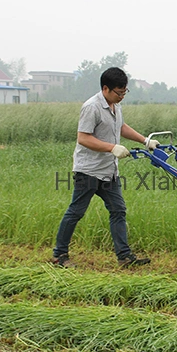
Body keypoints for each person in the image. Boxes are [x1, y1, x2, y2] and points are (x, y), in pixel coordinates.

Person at [52, 67, 159, 268]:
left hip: (109, 170)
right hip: (89, 170)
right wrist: (112, 148)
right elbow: (83, 138)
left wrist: (145, 141)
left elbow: (121, 127)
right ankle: (59, 255)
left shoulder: (115, 106)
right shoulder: (91, 107)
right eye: (119, 92)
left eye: (124, 92)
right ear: (105, 88)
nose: (122, 97)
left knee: (118, 210)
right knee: (76, 211)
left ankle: (124, 256)